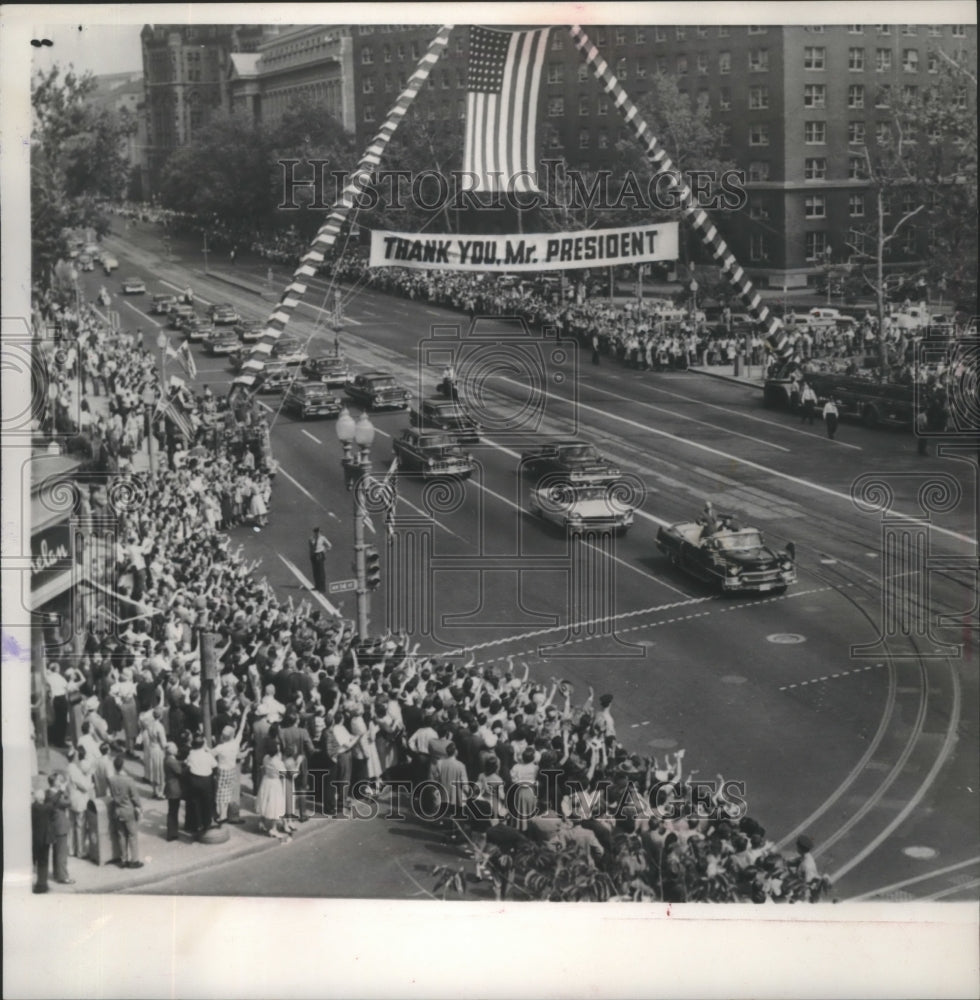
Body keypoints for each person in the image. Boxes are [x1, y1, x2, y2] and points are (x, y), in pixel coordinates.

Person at [106, 755, 143, 868]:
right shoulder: (128, 780)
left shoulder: (111, 780)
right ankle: (134, 860)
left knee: (121, 835)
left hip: (117, 810)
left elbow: (111, 794)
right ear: (123, 766)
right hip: (128, 810)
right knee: (132, 835)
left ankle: (123, 859)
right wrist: (139, 807)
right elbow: (135, 797)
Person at [46, 772, 73, 884]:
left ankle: (57, 874)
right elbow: (68, 802)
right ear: (54, 782)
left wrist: (62, 790)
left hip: (54, 825)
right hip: (60, 825)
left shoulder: (48, 793)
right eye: (58, 780)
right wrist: (66, 790)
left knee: (56, 852)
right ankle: (63, 877)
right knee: (62, 853)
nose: (60, 782)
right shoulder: (55, 795)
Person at [163, 742, 184, 841]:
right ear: (171, 750)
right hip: (174, 789)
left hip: (171, 788)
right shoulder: (171, 761)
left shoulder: (168, 759)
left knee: (173, 810)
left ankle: (173, 832)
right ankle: (172, 833)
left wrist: (183, 761)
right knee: (173, 811)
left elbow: (177, 763)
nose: (177, 749)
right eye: (175, 748)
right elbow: (180, 771)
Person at [32, 787, 51, 893]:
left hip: (36, 839)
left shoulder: (33, 807)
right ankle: (42, 885)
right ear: (41, 798)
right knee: (43, 862)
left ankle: (41, 883)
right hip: (43, 840)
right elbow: (51, 804)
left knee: (39, 862)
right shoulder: (43, 808)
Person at [308, 526, 331, 594]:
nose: (318, 534)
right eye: (317, 532)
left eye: (319, 532)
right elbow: (311, 548)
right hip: (314, 555)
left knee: (321, 572)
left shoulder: (322, 538)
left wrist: (324, 551)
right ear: (314, 532)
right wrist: (311, 556)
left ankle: (322, 588)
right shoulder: (311, 539)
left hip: (320, 555)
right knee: (315, 572)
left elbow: (329, 545)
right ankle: (317, 586)